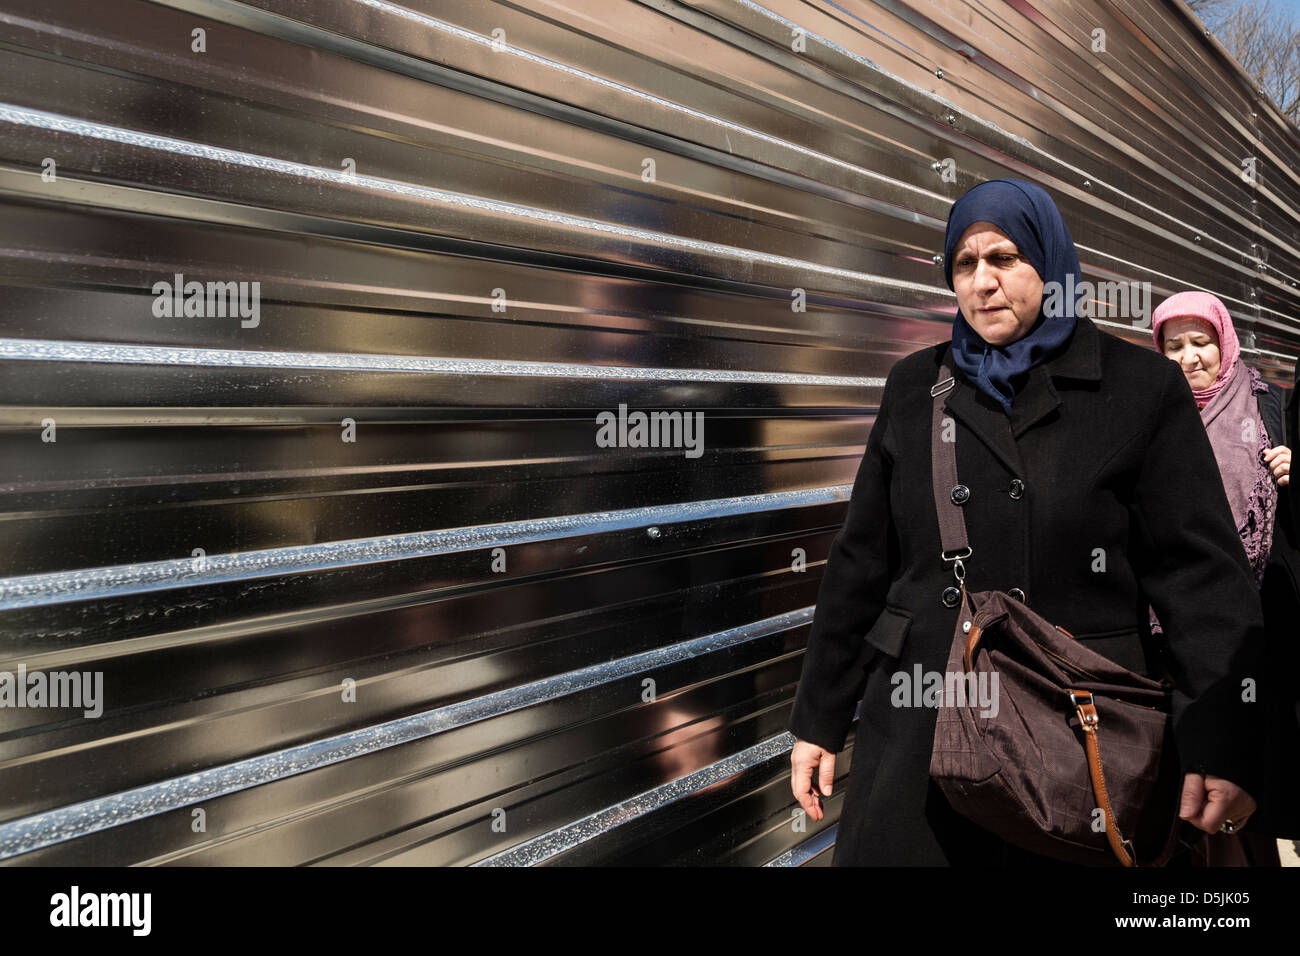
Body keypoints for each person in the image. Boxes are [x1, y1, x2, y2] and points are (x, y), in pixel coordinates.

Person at [788, 178, 1265, 865]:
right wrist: (820, 719)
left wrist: (1221, 737)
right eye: (964, 264)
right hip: (920, 738)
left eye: (1005, 259)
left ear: (1051, 262)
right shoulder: (914, 386)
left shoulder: (1139, 390)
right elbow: (863, 563)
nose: (982, 283)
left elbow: (1202, 581)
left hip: (1076, 743)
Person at [1149, 291, 1296, 865]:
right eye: (1173, 346)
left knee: (1254, 772)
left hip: (1262, 622)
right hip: (1179, 627)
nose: (1188, 358)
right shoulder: (1151, 415)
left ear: (1225, 342)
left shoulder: (1270, 406)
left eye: (1200, 342)